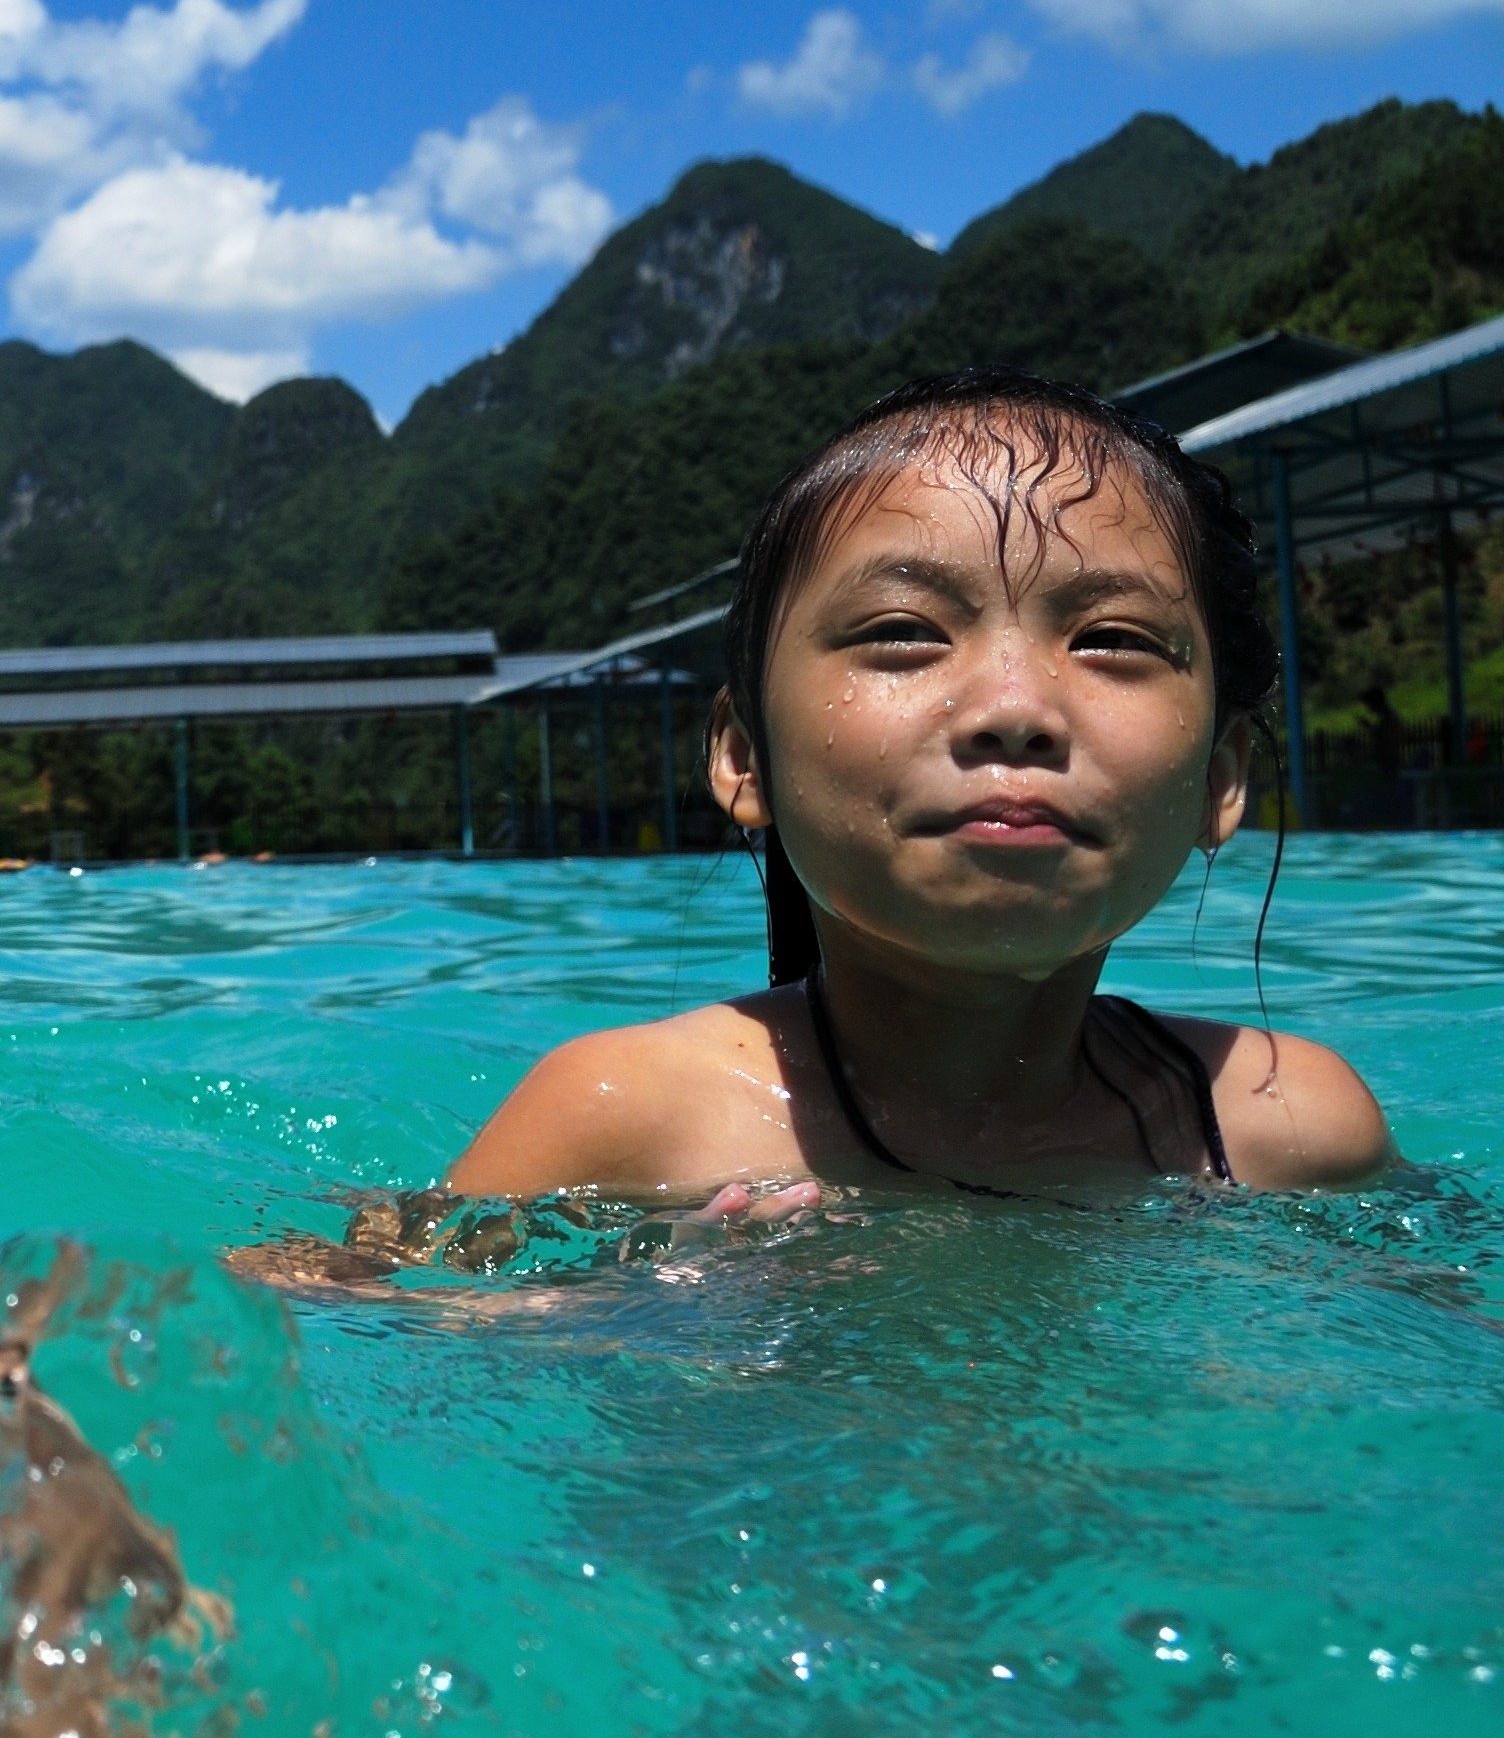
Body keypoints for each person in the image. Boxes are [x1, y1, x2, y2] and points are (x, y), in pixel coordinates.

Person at [448, 371, 1390, 1206]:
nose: (1017, 708)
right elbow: (352, 1307)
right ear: (744, 757)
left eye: (1113, 640)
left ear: (1221, 780)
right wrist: (655, 1330)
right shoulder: (618, 1120)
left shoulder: (1290, 1126)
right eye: (904, 631)